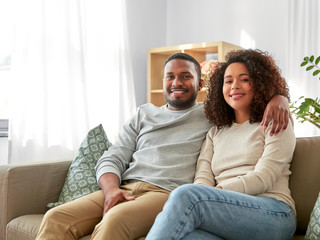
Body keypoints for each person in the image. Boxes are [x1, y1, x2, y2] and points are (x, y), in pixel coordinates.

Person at [36, 52, 292, 240]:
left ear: (201, 84)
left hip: (172, 194)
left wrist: (280, 98)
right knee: (55, 218)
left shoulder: (210, 116)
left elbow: (263, 175)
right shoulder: (215, 128)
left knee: (117, 219)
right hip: (131, 187)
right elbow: (115, 156)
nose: (176, 82)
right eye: (170, 76)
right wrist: (112, 189)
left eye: (185, 76)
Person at [146, 49, 297, 240]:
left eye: (244, 79)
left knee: (186, 195)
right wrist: (208, 194)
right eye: (228, 81)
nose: (235, 86)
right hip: (224, 212)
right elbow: (202, 178)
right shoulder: (214, 133)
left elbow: (264, 177)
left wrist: (212, 194)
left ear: (260, 84)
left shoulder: (276, 122)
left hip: (273, 213)